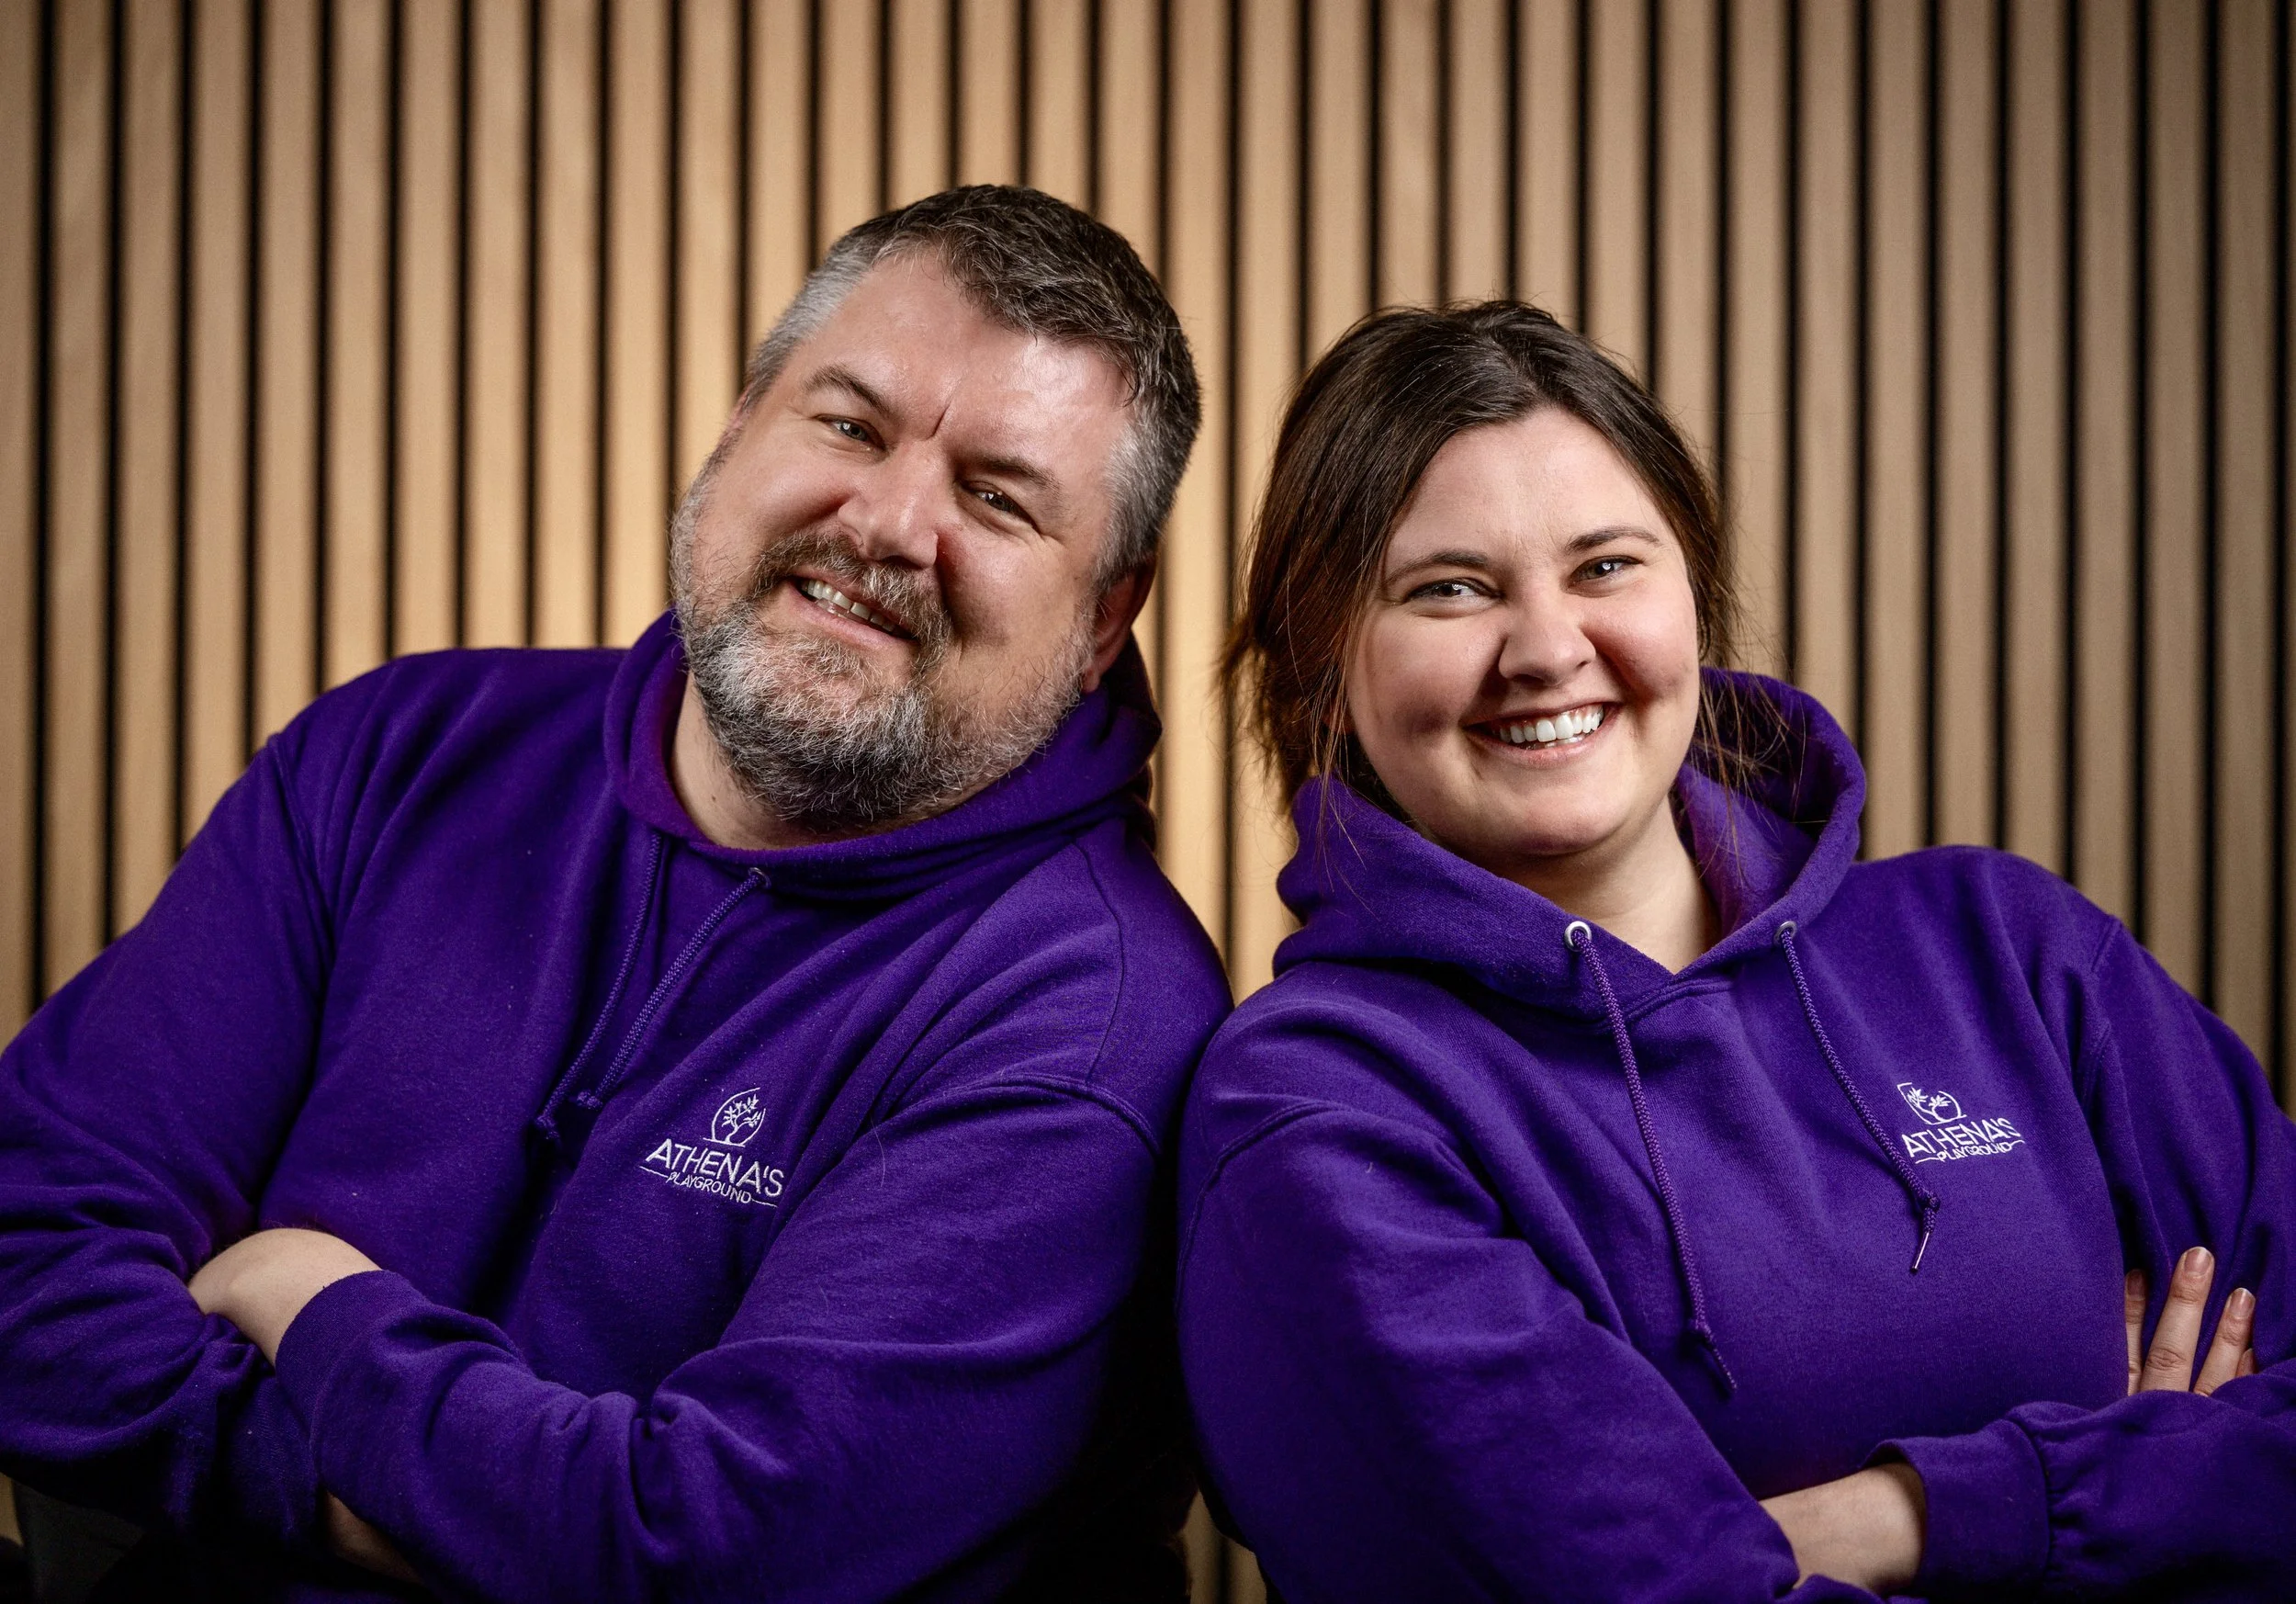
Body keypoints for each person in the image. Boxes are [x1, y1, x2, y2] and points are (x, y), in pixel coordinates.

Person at [0, 185, 1230, 1601]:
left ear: (1106, 619)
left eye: (998, 496)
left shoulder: (1090, 1025)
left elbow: (708, 1550)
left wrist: (311, 1305)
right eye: (847, 422)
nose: (890, 520)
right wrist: (354, 1485)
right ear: (738, 426)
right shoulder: (399, 753)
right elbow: (26, 1243)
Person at [1177, 301, 2296, 1600]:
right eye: (1450, 589)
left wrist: (1895, 1517)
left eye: (1605, 566)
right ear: (1323, 663)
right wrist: (2159, 1495)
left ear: (1693, 595)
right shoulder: (1318, 1113)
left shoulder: (2012, 954)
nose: (1546, 649)